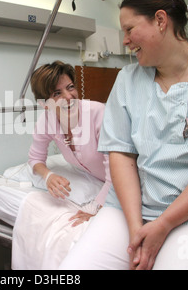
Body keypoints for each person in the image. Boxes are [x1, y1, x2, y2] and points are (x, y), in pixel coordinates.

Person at [59, 0, 188, 270]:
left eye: (129, 29)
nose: (125, 40)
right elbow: (121, 155)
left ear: (161, 20)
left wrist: (163, 224)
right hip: (129, 208)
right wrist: (134, 229)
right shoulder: (127, 80)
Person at [11, 60, 114, 269]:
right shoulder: (46, 120)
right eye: (57, 93)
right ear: (44, 104)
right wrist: (48, 175)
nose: (69, 97)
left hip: (131, 179)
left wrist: (96, 206)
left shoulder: (98, 114)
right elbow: (35, 159)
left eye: (70, 87)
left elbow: (117, 173)